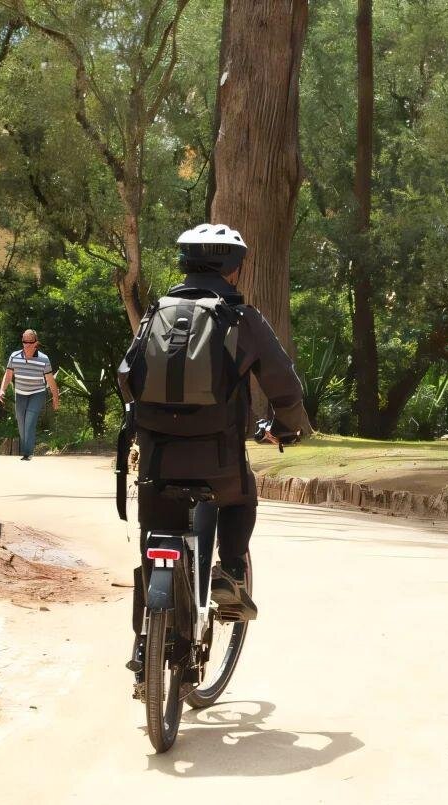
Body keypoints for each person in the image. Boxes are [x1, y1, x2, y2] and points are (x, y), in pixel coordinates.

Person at [123, 223, 312, 674]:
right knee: (240, 496)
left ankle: (144, 645)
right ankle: (229, 573)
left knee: (154, 541)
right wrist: (285, 428)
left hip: (157, 458)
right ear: (235, 269)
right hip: (218, 459)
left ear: (184, 264)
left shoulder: (157, 312)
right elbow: (283, 384)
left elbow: (126, 375)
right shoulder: (241, 318)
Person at [0, 329, 60, 461]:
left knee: (30, 421)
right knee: (21, 423)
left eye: (30, 342)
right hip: (20, 393)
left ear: (36, 343)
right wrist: (2, 389)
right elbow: (8, 375)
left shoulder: (43, 359)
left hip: (37, 393)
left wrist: (55, 397)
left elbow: (50, 379)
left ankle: (28, 453)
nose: (26, 345)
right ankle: (26, 450)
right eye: (24, 341)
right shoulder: (14, 356)